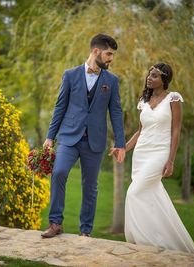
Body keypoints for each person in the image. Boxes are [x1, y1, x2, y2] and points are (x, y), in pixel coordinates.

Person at [41, 34, 126, 238]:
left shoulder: (112, 81)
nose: (111, 59)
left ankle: (85, 230)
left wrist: (121, 143)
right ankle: (55, 223)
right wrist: (50, 136)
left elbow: (115, 112)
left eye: (112, 55)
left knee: (90, 186)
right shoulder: (70, 75)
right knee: (59, 173)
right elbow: (60, 106)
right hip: (69, 137)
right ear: (96, 51)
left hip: (94, 141)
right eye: (108, 54)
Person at [110, 63, 194, 254]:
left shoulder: (173, 99)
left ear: (164, 80)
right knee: (152, 197)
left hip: (160, 154)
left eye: (155, 76)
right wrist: (123, 148)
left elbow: (176, 132)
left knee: (134, 193)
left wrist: (171, 160)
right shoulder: (144, 100)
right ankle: (165, 240)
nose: (149, 78)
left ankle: (140, 239)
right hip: (141, 154)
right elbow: (140, 132)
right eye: (149, 75)